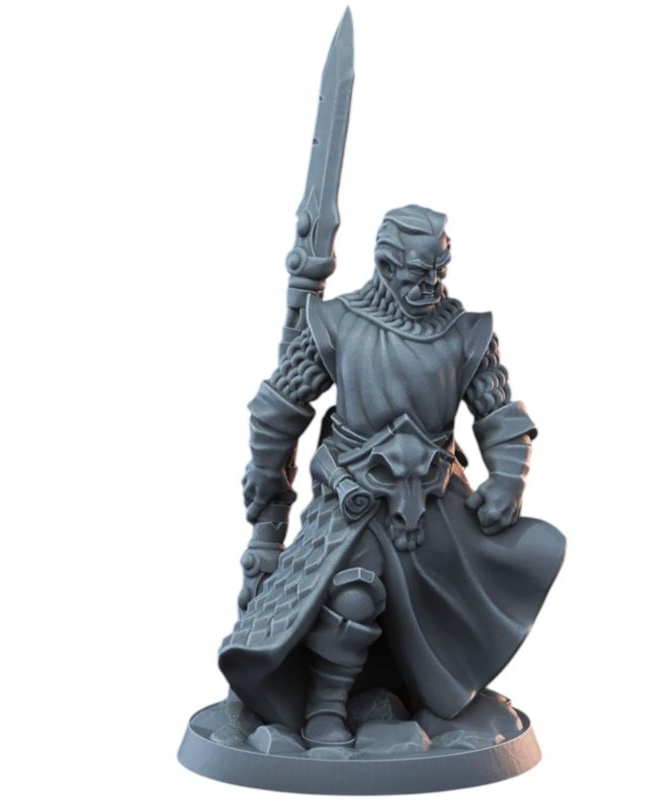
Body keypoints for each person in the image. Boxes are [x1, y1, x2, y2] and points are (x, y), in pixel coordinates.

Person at [218, 204, 565, 747]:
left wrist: (507, 477)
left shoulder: (464, 332)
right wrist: (268, 486)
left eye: (439, 271)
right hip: (354, 496)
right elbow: (278, 408)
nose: (431, 285)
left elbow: (499, 413)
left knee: (466, 600)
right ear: (385, 265)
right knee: (352, 595)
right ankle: (325, 710)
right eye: (418, 273)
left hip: (439, 502)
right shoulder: (338, 323)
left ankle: (425, 697)